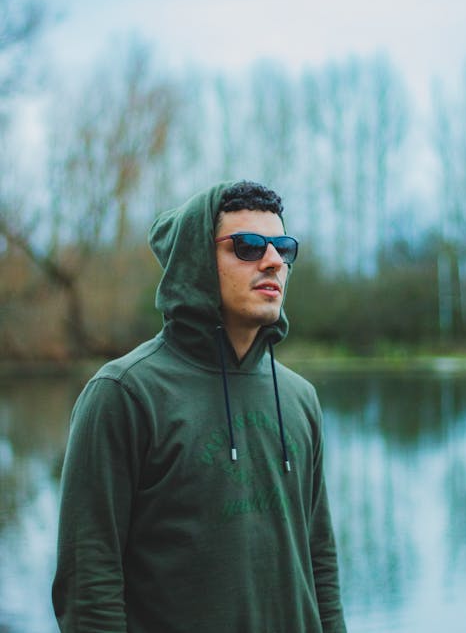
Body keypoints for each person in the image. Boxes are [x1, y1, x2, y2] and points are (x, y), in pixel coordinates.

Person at [52, 180, 347, 633]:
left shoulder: (299, 398)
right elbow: (88, 586)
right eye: (248, 246)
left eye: (283, 247)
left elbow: (320, 564)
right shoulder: (124, 394)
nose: (272, 261)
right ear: (196, 262)